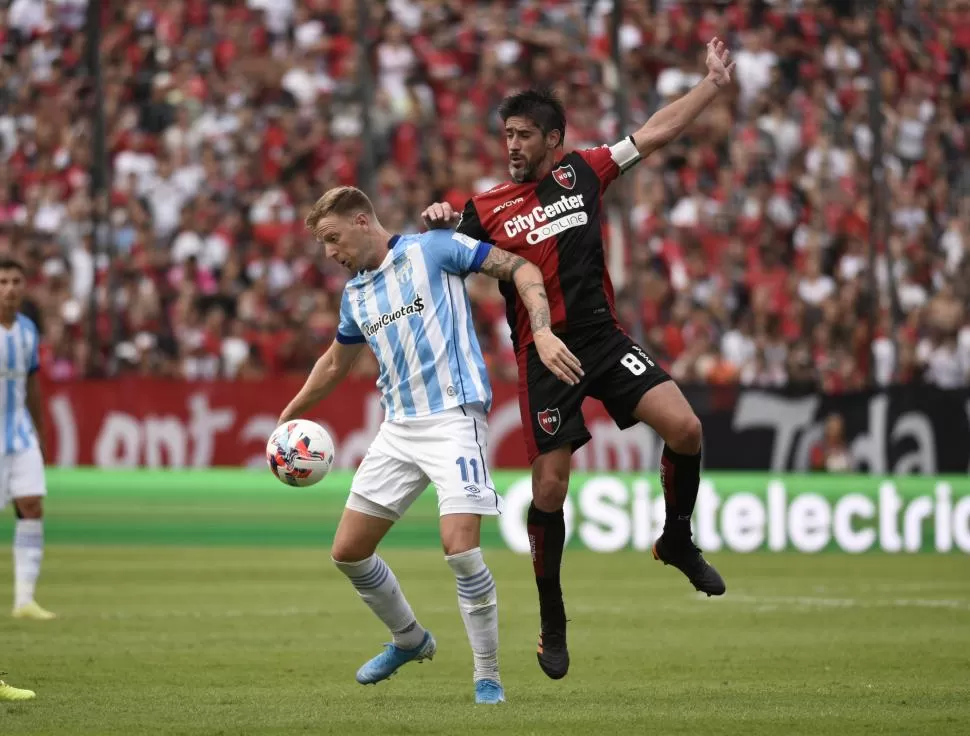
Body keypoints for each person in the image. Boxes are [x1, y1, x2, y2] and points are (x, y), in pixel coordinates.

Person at [421, 39, 734, 680]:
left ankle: (676, 538)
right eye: (506, 134)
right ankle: (552, 621)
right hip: (544, 355)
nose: (512, 146)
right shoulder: (484, 209)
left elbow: (655, 132)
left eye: (524, 135)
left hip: (601, 338)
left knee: (687, 428)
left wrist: (711, 86)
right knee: (550, 487)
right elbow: (441, 256)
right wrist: (437, 222)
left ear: (554, 139)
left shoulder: (585, 171)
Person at [277, 186, 581, 704]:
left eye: (333, 238)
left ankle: (487, 676)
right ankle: (410, 639)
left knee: (460, 549)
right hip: (398, 428)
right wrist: (289, 415)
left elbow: (520, 267)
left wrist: (544, 327)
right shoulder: (356, 294)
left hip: (454, 419)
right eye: (323, 244)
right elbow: (334, 363)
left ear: (362, 220)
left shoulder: (434, 248)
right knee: (349, 552)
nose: (330, 252)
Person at [0, 259, 54, 621]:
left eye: (16, 281)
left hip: (20, 433)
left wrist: (40, 431)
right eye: (2, 281)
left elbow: (32, 384)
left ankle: (24, 600)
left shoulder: (28, 330)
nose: (10, 288)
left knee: (32, 505)